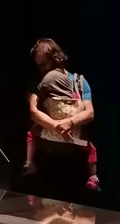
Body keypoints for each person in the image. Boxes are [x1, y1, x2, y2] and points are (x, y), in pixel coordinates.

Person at [25, 39, 98, 201]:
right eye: (38, 65)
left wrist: (69, 122)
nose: (42, 69)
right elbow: (34, 112)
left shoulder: (79, 82)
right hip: (45, 157)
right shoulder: (39, 83)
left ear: (56, 58)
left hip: (74, 158)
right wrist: (57, 126)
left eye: (44, 64)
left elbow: (90, 113)